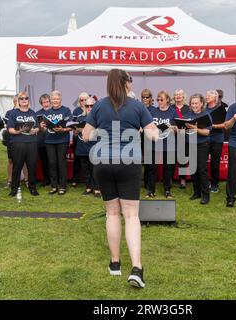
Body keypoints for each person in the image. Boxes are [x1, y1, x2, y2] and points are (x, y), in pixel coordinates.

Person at [82, 69, 158, 288]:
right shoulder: (137, 106)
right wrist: (149, 131)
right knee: (131, 216)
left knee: (112, 213)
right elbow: (153, 135)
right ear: (126, 83)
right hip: (129, 163)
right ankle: (136, 268)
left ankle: (115, 264)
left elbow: (86, 135)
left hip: (103, 163)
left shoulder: (98, 105)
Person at [7, 91, 39, 196]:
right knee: (17, 166)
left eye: (26, 98)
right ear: (18, 101)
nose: (24, 100)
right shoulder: (14, 113)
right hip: (18, 142)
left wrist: (34, 130)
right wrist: (18, 131)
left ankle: (32, 187)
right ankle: (14, 188)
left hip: (32, 143)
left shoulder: (33, 113)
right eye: (21, 98)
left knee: (32, 166)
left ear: (28, 100)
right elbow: (10, 129)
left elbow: (37, 127)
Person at [40, 91, 72, 195]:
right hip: (49, 140)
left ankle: (62, 186)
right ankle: (54, 186)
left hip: (62, 140)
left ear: (60, 99)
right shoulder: (47, 112)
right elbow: (44, 130)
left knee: (61, 162)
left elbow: (71, 126)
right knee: (52, 163)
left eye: (57, 99)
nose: (55, 101)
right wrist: (42, 127)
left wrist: (63, 130)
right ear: (51, 100)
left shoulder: (66, 110)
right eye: (53, 99)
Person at [146, 90, 177, 199]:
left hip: (168, 144)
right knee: (152, 168)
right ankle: (151, 190)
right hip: (154, 143)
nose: (159, 101)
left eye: (161, 99)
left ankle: (167, 190)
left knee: (168, 168)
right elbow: (148, 126)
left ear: (167, 100)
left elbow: (177, 128)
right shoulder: (153, 111)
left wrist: (173, 128)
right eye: (158, 99)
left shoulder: (173, 112)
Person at [184, 93, 212, 204]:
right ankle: (197, 192)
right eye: (192, 103)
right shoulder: (187, 114)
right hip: (189, 144)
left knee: (201, 169)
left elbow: (207, 132)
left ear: (201, 103)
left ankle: (206, 195)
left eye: (196, 103)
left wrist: (196, 129)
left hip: (202, 145)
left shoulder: (206, 115)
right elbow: (183, 128)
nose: (194, 105)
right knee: (193, 169)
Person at [74, 97, 101, 197]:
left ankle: (97, 189)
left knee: (95, 169)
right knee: (86, 169)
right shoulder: (80, 118)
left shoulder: (99, 117)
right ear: (84, 106)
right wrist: (76, 130)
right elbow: (76, 133)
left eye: (91, 105)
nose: (89, 107)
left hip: (94, 146)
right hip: (82, 147)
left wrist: (85, 130)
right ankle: (88, 187)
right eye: (87, 106)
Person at [205, 90, 227, 193]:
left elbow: (226, 125)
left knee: (215, 163)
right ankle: (205, 183)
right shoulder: (203, 109)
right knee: (202, 162)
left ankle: (214, 184)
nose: (206, 97)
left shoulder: (221, 109)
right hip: (204, 138)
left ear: (215, 98)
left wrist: (212, 126)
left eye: (209, 96)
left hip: (217, 139)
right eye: (206, 95)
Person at [171, 89, 189, 189]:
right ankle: (170, 178)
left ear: (183, 96)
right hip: (172, 136)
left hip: (184, 136)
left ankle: (182, 179)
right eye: (176, 94)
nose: (178, 96)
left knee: (182, 159)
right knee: (172, 158)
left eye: (180, 95)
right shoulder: (170, 107)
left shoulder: (188, 108)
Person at [71, 92, 90, 188]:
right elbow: (72, 125)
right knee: (77, 160)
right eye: (81, 100)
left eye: (85, 99)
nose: (83, 101)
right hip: (77, 138)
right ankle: (75, 179)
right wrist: (75, 130)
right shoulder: (76, 111)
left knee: (89, 161)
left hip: (89, 139)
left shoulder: (92, 110)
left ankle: (90, 183)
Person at [140, 89, 155, 190]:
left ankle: (147, 182)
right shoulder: (139, 108)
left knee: (149, 162)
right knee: (139, 161)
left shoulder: (154, 110)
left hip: (149, 138)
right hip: (139, 137)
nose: (145, 99)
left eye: (147, 97)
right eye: (143, 97)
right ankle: (137, 181)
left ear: (150, 98)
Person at [36, 94, 51, 186]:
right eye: (44, 102)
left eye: (47, 102)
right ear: (41, 103)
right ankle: (46, 180)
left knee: (53, 162)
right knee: (44, 161)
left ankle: (54, 180)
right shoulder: (37, 113)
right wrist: (39, 126)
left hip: (52, 140)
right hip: (41, 141)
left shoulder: (54, 112)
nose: (46, 104)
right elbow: (34, 126)